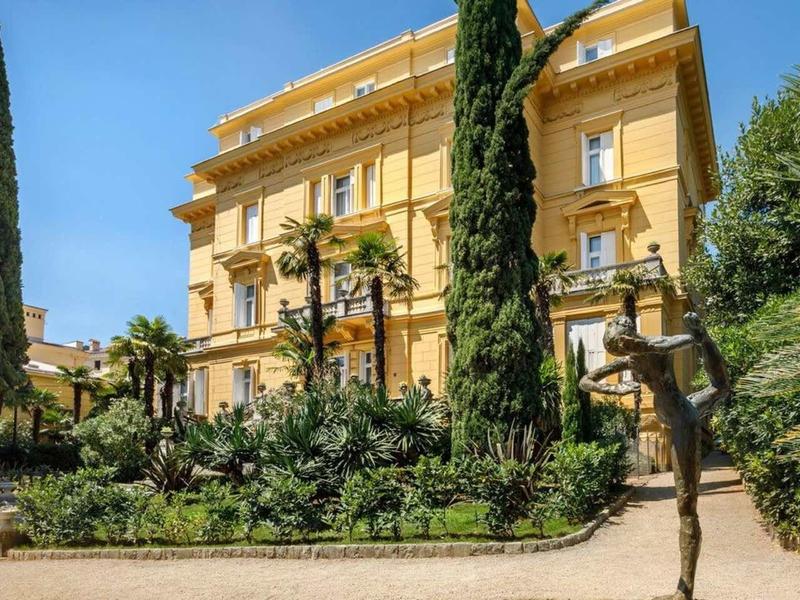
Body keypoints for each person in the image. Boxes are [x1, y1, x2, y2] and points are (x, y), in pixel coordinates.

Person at [580, 312, 729, 600]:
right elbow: (586, 380)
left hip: (683, 418)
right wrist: (612, 388)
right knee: (719, 388)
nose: (624, 355)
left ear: (630, 338)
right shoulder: (632, 358)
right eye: (619, 351)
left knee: (686, 506)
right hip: (671, 412)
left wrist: (700, 336)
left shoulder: (654, 345)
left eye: (623, 347)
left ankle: (684, 591)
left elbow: (681, 341)